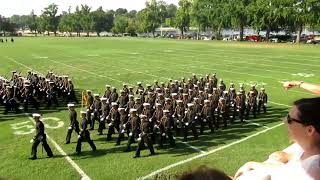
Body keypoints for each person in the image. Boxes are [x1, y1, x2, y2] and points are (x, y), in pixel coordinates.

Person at [235, 97, 320, 180]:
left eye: (290, 120)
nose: (285, 121)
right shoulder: (309, 149)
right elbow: (285, 171)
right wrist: (252, 164)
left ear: (310, 130)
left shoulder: (312, 171)